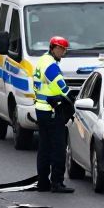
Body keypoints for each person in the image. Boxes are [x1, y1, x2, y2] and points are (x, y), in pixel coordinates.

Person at [32, 36, 75, 193]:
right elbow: (58, 82)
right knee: (58, 148)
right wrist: (69, 96)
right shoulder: (50, 64)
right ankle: (57, 182)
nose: (63, 53)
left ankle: (42, 182)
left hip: (41, 109)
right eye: (62, 49)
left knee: (44, 148)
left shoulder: (43, 60)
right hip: (51, 111)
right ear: (54, 48)